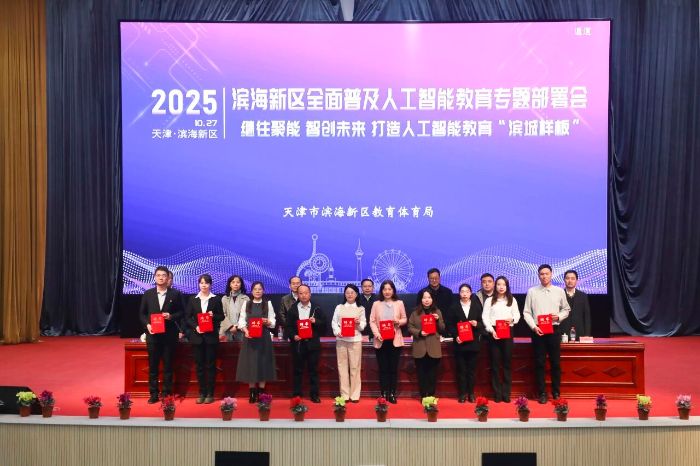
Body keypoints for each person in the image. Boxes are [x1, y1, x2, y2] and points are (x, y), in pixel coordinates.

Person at [523, 264, 570, 404]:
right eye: (541, 274)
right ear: (538, 276)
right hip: (538, 331)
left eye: (546, 273)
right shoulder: (532, 291)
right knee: (539, 363)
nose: (544, 276)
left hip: (554, 329)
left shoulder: (559, 291)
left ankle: (556, 392)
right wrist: (533, 327)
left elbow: (566, 309)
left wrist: (558, 316)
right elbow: (526, 312)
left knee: (555, 362)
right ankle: (542, 393)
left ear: (551, 274)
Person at [138, 266, 184, 404]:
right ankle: (153, 393)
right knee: (153, 366)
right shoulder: (148, 294)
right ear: (154, 277)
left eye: (164, 275)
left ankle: (166, 393)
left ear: (168, 278)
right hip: (153, 336)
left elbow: (182, 312)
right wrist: (147, 325)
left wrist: (171, 316)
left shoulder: (175, 294)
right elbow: (142, 314)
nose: (161, 278)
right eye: (158, 275)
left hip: (169, 336)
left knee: (168, 366)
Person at [236, 281, 277, 403]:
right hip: (250, 338)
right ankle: (252, 393)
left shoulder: (267, 304)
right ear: (252, 291)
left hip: (264, 338)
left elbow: (273, 321)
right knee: (251, 364)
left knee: (263, 364)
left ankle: (261, 393)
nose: (257, 291)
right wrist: (245, 331)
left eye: (260, 289)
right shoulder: (246, 304)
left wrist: (268, 322)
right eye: (255, 289)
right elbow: (241, 321)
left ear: (263, 291)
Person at [186, 274, 224, 404]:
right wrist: (196, 327)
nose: (204, 285)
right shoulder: (193, 299)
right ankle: (202, 392)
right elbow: (188, 317)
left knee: (211, 366)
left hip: (211, 337)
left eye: (206, 283)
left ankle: (210, 393)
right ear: (198, 284)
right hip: (197, 337)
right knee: (200, 366)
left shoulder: (216, 299)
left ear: (210, 285)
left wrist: (213, 316)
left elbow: (221, 316)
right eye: (201, 283)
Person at [285, 284, 326, 403]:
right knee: (297, 370)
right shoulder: (293, 309)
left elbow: (324, 324)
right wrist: (293, 336)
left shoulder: (316, 308)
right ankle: (297, 394)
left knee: (313, 370)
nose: (303, 295)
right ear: (297, 295)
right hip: (298, 345)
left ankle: (314, 394)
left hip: (313, 344)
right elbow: (288, 326)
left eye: (306, 293)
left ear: (310, 294)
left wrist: (316, 321)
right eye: (301, 293)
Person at [482, 276, 520, 403]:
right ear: (495, 286)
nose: (501, 287)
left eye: (503, 284)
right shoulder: (489, 300)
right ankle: (497, 393)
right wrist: (491, 331)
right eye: (499, 284)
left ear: (507, 286)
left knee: (507, 364)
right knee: (495, 365)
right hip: (494, 332)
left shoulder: (512, 299)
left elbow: (517, 315)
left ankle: (506, 393)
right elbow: (485, 317)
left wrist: (512, 319)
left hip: (508, 330)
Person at [369, 280, 407, 404]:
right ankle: (384, 393)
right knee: (383, 368)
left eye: (389, 289)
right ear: (381, 291)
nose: (387, 291)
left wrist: (398, 322)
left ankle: (392, 393)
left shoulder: (399, 303)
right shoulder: (376, 304)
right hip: (381, 340)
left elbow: (404, 319)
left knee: (393, 369)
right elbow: (372, 321)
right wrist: (377, 334)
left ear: (393, 290)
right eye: (384, 289)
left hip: (395, 341)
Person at [447, 284, 484, 403]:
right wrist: (456, 336)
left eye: (467, 291)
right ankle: (462, 394)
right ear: (459, 293)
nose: (464, 294)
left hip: (473, 344)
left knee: (472, 371)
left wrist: (476, 324)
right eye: (462, 291)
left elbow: (482, 323)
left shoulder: (476, 306)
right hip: (460, 343)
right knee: (461, 370)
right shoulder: (454, 307)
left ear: (470, 293)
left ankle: (471, 393)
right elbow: (450, 325)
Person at [331, 284, 366, 402]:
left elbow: (363, 325)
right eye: (347, 292)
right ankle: (345, 395)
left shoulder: (361, 308)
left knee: (355, 368)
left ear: (356, 294)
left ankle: (355, 395)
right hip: (341, 340)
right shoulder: (339, 307)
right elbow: (334, 322)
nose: (350, 295)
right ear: (344, 294)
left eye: (352, 292)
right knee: (342, 368)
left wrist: (358, 323)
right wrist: (337, 332)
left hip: (355, 340)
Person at [408, 290, 446, 399]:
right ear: (421, 299)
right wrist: (419, 333)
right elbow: (410, 327)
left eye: (429, 297)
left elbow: (442, 328)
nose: (426, 300)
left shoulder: (437, 312)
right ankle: (423, 396)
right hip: (420, 346)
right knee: (421, 374)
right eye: (424, 298)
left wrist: (437, 320)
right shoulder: (415, 313)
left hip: (433, 346)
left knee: (432, 374)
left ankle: (431, 395)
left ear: (432, 299)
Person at [559, 270, 592, 339]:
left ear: (577, 280)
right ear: (564, 280)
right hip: (562, 332)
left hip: (579, 332)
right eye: (567, 278)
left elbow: (586, 316)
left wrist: (587, 334)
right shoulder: (559, 295)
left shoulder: (583, 296)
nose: (570, 281)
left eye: (573, 278)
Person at [220, 275, 249, 342]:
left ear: (241, 284)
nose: (235, 284)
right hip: (227, 330)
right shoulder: (224, 298)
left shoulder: (246, 298)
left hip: (241, 330)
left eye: (238, 282)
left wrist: (237, 326)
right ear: (230, 284)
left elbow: (247, 315)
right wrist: (230, 326)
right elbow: (222, 314)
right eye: (233, 282)